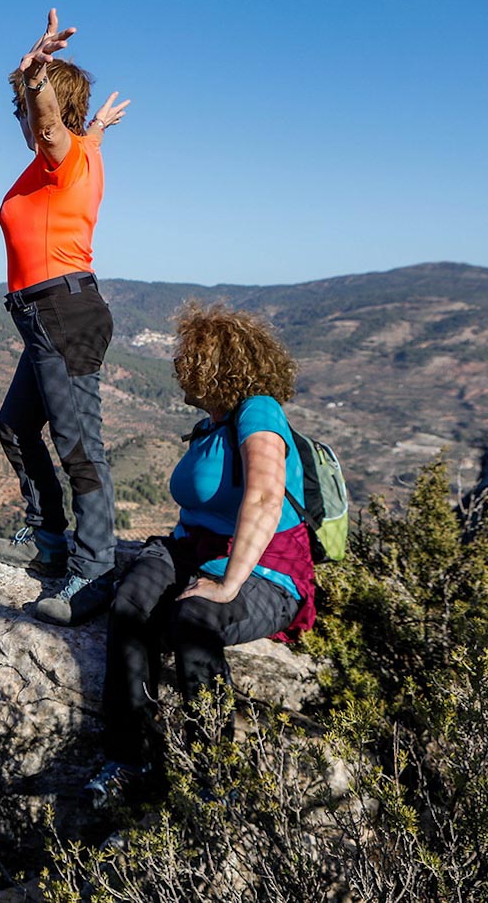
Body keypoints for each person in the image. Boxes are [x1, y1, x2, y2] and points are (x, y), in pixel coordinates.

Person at [87, 301, 317, 801]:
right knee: (131, 605)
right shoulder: (213, 425)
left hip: (265, 567)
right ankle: (130, 759)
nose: (178, 368)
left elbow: (264, 494)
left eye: (187, 358)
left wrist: (228, 583)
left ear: (215, 366)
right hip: (192, 548)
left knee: (194, 618)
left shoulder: (259, 411)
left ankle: (212, 775)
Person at [0, 8, 131, 626]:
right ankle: (47, 536)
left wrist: (35, 73)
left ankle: (93, 570)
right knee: (17, 426)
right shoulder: (84, 150)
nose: (20, 120)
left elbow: (50, 126)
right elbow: (78, 132)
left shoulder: (60, 156)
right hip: (42, 318)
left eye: (21, 110)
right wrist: (98, 123)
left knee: (78, 446)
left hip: (62, 313)